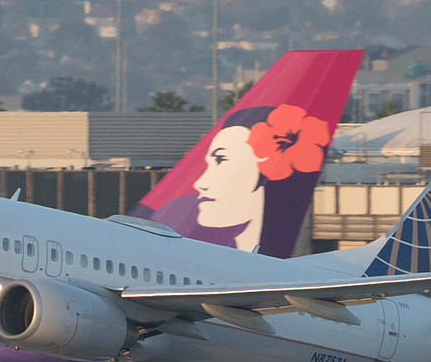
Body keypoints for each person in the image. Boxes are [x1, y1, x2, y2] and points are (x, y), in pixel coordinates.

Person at [142, 104, 332, 257]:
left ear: (268, 164)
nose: (199, 183)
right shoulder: (178, 215)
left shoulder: (186, 240)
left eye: (221, 160)